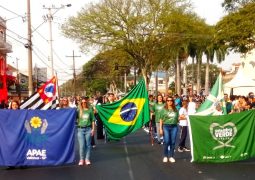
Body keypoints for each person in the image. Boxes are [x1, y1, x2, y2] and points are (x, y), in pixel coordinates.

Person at [159, 97, 178, 163]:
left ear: (173, 101)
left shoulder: (175, 109)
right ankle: (165, 156)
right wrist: (160, 129)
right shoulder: (163, 109)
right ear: (166, 101)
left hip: (174, 127)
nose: (169, 102)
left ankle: (171, 156)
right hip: (166, 126)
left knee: (172, 142)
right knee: (167, 141)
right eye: (168, 100)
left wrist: (184, 118)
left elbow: (177, 119)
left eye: (171, 100)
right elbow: (161, 119)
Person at [77, 97, 95, 166]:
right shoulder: (78, 110)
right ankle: (81, 159)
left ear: (86, 102)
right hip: (80, 129)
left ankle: (87, 159)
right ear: (81, 103)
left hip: (88, 129)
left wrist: (93, 129)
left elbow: (93, 120)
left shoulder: (90, 110)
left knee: (88, 145)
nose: (83, 103)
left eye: (85, 102)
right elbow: (72, 117)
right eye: (82, 102)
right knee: (81, 146)